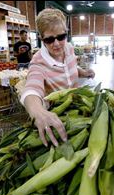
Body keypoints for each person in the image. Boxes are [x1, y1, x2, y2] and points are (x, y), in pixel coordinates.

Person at [20, 8, 95, 147]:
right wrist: (37, 112)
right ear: (42, 39)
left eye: (61, 37)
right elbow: (31, 89)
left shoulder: (69, 48)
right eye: (49, 39)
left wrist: (83, 72)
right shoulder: (38, 63)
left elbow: (68, 68)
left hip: (79, 106)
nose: (57, 44)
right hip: (60, 118)